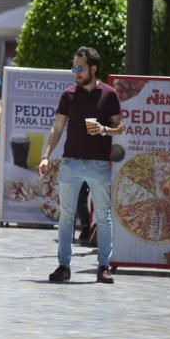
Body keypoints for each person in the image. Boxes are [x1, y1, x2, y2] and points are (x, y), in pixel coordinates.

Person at [40, 46, 122, 284]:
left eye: (80, 67)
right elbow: (57, 128)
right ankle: (63, 266)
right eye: (74, 67)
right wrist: (46, 155)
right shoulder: (68, 95)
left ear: (93, 69)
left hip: (99, 164)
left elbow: (120, 127)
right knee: (66, 216)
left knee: (104, 216)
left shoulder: (109, 95)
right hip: (72, 163)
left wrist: (104, 129)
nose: (75, 71)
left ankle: (104, 266)